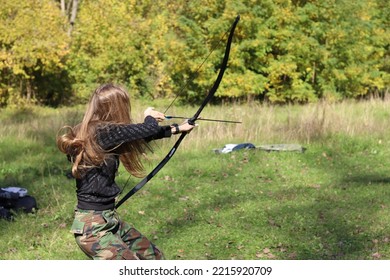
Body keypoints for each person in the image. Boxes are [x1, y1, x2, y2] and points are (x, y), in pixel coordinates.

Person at [56, 83, 195, 260]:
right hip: (93, 228)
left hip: (108, 219)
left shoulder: (95, 131)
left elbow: (139, 135)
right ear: (116, 106)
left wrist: (178, 129)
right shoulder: (103, 131)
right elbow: (148, 128)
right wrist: (149, 116)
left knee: (153, 256)